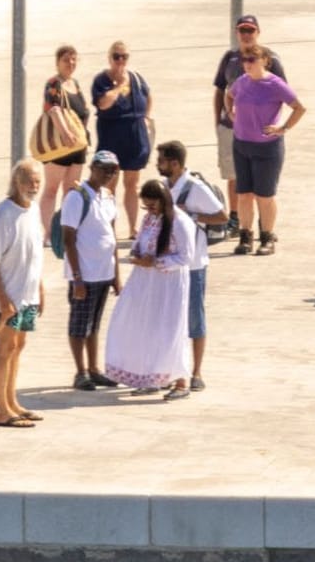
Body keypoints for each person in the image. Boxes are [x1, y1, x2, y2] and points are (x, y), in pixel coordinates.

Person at [102, 180, 198, 400]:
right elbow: (142, 245)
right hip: (146, 283)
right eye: (147, 207)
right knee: (146, 327)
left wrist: (155, 262)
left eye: (153, 206)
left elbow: (186, 257)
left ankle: (181, 381)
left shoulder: (180, 222)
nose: (150, 211)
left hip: (169, 284)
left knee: (170, 329)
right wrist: (137, 256)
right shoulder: (149, 219)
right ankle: (151, 378)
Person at [156, 141, 228, 389]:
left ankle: (196, 372)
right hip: (169, 263)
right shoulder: (165, 186)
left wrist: (193, 216)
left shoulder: (194, 188)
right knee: (169, 319)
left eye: (162, 161)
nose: (158, 165)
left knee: (195, 320)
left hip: (194, 264)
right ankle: (171, 371)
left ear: (175, 163)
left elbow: (222, 216)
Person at [0, 161, 46, 427]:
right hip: (6, 298)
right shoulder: (3, 213)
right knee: (5, 349)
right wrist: (3, 299)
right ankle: (1, 410)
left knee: (18, 346)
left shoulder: (34, 210)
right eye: (29, 181)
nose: (34, 186)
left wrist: (39, 288)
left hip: (27, 294)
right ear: (17, 182)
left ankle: (12, 401)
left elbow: (35, 253)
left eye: (38, 181)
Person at [224, 44, 305, 256]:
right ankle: (245, 236)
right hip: (242, 144)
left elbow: (299, 107)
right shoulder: (242, 82)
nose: (247, 64)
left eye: (252, 60)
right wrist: (231, 113)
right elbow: (229, 95)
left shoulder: (275, 84)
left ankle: (267, 237)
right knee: (244, 194)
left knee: (264, 195)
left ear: (265, 61)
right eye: (245, 60)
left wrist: (283, 128)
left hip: (267, 147)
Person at [213, 15, 289, 236]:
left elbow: (284, 94)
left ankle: (264, 228)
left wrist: (278, 125)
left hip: (261, 135)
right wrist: (220, 119)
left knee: (262, 188)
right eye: (242, 30)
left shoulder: (271, 59)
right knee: (234, 177)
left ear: (258, 32)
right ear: (236, 33)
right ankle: (236, 221)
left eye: (250, 30)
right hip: (232, 129)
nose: (246, 35)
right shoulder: (230, 58)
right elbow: (221, 90)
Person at [60, 150, 123, 391]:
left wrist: (116, 275)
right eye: (104, 168)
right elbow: (68, 238)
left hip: (104, 273)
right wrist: (77, 278)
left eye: (113, 170)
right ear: (92, 168)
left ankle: (94, 369)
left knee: (94, 324)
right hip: (84, 274)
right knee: (79, 325)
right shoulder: (77, 198)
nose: (108, 174)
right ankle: (81, 371)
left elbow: (112, 237)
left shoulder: (108, 197)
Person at [91, 41, 152, 238]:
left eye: (124, 56)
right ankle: (110, 227)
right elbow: (103, 104)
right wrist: (117, 88)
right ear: (109, 58)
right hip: (112, 138)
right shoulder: (102, 80)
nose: (120, 61)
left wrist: (147, 117)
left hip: (135, 136)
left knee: (132, 184)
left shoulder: (136, 78)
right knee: (110, 185)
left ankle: (133, 227)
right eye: (116, 56)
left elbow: (148, 96)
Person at [39, 45, 93, 237]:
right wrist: (65, 133)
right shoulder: (54, 84)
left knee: (71, 191)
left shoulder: (75, 84)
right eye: (66, 60)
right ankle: (48, 232)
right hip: (59, 145)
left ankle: (65, 229)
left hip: (77, 146)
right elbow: (53, 109)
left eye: (73, 59)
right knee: (52, 189)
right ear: (57, 63)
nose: (70, 63)